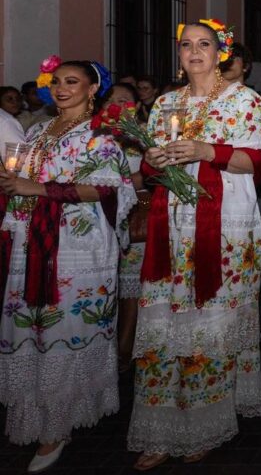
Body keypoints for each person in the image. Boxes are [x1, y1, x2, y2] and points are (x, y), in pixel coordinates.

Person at [128, 20, 261, 469]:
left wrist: (204, 150)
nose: (194, 52)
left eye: (204, 44)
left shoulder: (244, 100)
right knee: (163, 322)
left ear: (221, 53)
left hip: (227, 228)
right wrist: (153, 159)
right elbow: (150, 164)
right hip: (170, 225)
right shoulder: (164, 104)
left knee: (209, 323)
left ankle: (204, 423)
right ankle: (158, 428)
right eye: (186, 45)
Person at [0, 57, 135, 472]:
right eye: (56, 81)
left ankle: (57, 426)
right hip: (32, 240)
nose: (61, 88)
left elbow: (105, 189)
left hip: (78, 246)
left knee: (66, 325)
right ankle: (36, 412)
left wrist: (35, 186)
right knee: (33, 324)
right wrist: (14, 184)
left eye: (72, 82)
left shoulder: (103, 135)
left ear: (93, 89)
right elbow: (21, 175)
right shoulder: (38, 130)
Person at [100, 83, 145, 372]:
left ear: (138, 106)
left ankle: (125, 348)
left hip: (133, 216)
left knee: (130, 290)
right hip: (100, 217)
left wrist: (123, 184)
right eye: (113, 101)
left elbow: (151, 174)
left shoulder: (143, 135)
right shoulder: (95, 135)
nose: (118, 106)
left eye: (126, 101)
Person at [0, 86, 25, 153]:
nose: (15, 102)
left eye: (18, 99)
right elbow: (18, 154)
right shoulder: (7, 121)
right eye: (9, 99)